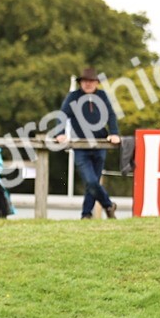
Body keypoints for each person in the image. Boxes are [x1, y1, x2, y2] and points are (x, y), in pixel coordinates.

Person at [54, 67, 121, 220]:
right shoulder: (73, 97)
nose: (88, 84)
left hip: (100, 145)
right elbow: (63, 115)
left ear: (97, 82)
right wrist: (60, 133)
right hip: (81, 146)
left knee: (93, 183)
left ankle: (86, 214)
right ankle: (108, 205)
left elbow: (111, 115)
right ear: (80, 83)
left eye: (91, 81)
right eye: (85, 81)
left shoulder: (103, 95)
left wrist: (114, 133)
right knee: (90, 181)